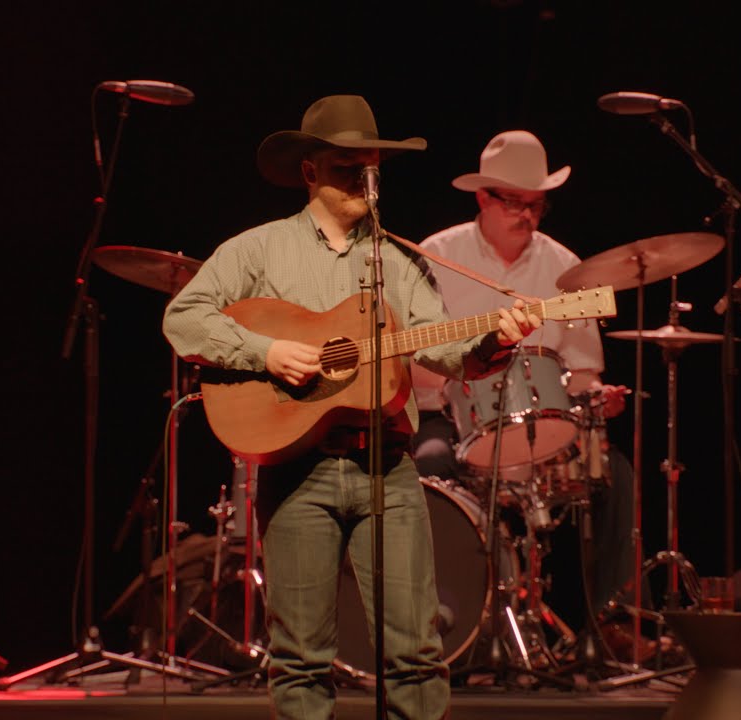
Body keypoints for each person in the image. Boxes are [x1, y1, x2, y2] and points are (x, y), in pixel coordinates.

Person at [162, 95, 542, 720]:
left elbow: (447, 350)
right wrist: (267, 351)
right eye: (345, 166)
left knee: (416, 654)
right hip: (296, 472)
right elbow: (184, 318)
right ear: (309, 170)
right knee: (300, 659)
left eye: (370, 167)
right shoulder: (258, 250)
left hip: (388, 467)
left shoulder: (399, 260)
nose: (362, 179)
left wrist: (495, 340)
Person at [408, 130, 651, 663]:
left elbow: (582, 371)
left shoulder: (566, 266)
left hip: (544, 426)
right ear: (483, 197)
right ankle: (449, 630)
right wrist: (449, 378)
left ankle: (609, 624)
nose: (527, 215)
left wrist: (597, 398)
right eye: (514, 202)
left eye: (536, 204)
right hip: (453, 422)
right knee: (427, 467)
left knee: (615, 473)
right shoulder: (436, 256)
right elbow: (410, 365)